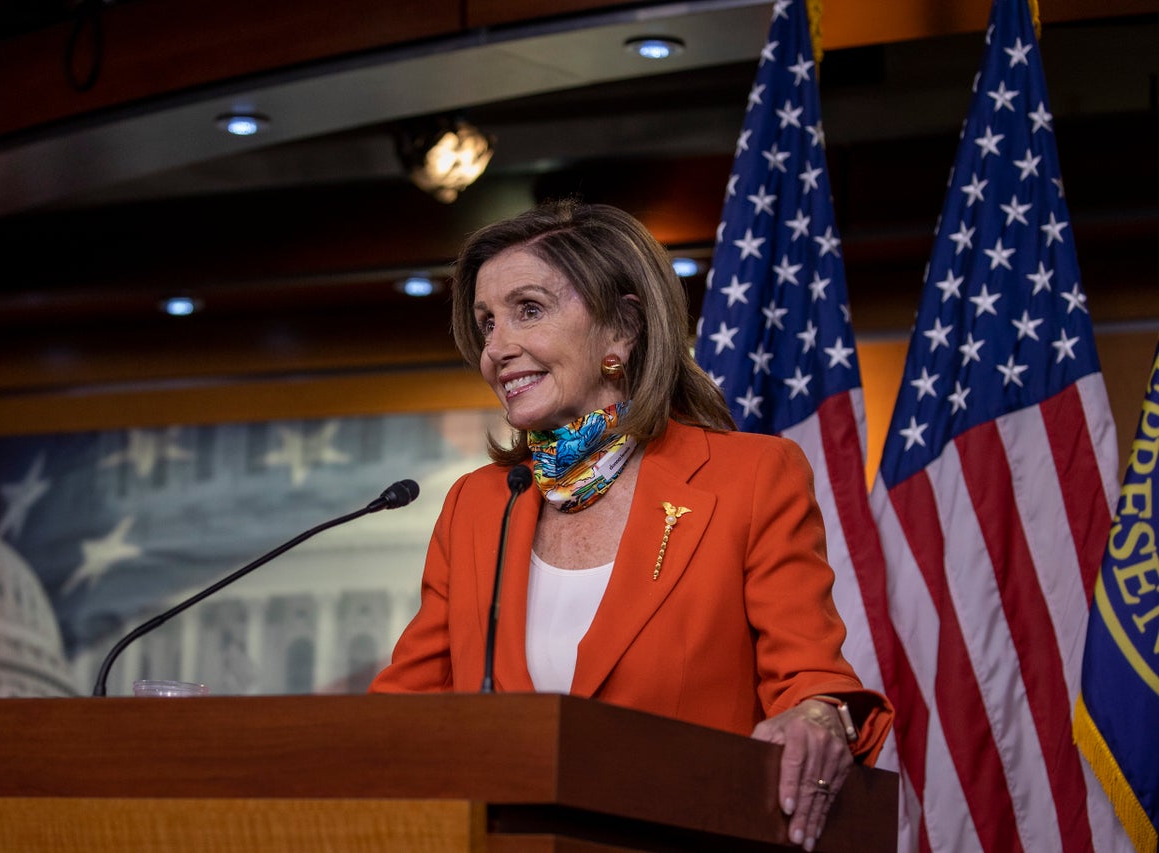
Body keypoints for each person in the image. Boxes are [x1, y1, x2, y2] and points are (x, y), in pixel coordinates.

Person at [369, 199, 893, 851]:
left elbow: (810, 676)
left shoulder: (751, 477)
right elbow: (400, 714)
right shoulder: (477, 506)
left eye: (527, 310)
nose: (497, 349)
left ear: (622, 327)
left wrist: (819, 716)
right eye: (486, 323)